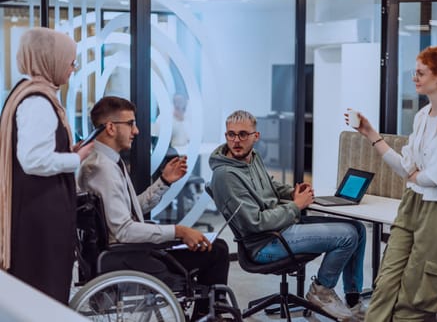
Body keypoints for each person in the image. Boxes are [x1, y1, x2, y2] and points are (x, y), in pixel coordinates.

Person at [78, 96, 230, 320]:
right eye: (130, 123)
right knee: (216, 250)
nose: (136, 130)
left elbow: (130, 209)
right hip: (128, 256)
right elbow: (124, 230)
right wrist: (178, 231)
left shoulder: (104, 161)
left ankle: (206, 314)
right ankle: (208, 314)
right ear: (110, 127)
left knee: (214, 246)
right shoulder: (104, 169)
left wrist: (164, 182)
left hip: (125, 251)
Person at [208, 110, 367, 321]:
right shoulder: (225, 176)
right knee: (347, 235)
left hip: (283, 226)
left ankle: (353, 299)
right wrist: (295, 206)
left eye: (243, 134)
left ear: (256, 136)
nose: (236, 141)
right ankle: (322, 290)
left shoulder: (251, 158)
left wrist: (292, 192)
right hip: (265, 243)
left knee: (358, 228)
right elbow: (255, 223)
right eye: (231, 134)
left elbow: (270, 186)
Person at [347, 46, 437, 322]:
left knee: (419, 288)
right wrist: (370, 134)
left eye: (421, 73)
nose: (414, 77)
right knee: (387, 278)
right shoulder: (423, 116)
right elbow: (406, 167)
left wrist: (415, 175)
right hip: (414, 201)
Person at [0, 27, 94, 304]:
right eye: (70, 61)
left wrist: (66, 151)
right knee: (43, 284)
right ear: (49, 60)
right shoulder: (38, 102)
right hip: (40, 213)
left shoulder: (27, 93)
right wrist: (76, 158)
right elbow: (33, 160)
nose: (73, 68)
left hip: (33, 208)